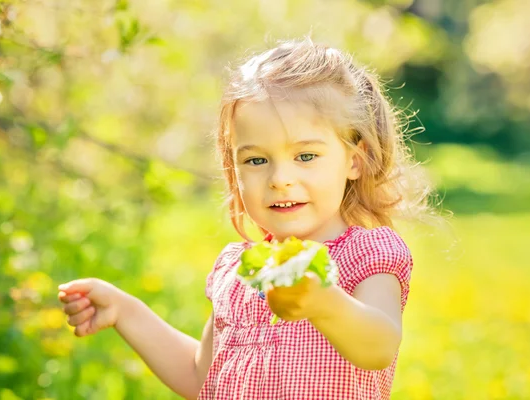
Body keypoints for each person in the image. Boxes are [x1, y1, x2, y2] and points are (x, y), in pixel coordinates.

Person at [58, 38, 438, 400]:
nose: (279, 179)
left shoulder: (367, 253)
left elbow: (379, 347)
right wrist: (125, 311)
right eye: (256, 160)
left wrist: (324, 303)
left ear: (354, 160)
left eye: (305, 156)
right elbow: (199, 377)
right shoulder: (240, 270)